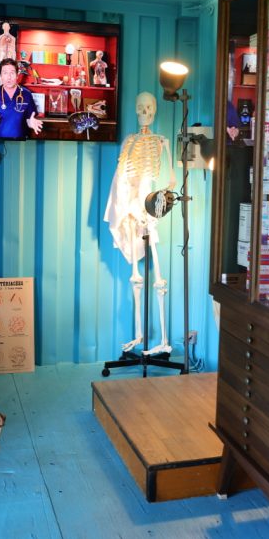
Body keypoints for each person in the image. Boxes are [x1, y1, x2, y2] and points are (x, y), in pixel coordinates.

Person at [103, 92, 175, 355]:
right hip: (131, 210)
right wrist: (127, 207)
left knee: (159, 279)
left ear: (155, 110)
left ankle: (164, 341)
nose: (145, 113)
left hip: (149, 210)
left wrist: (155, 205)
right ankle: (139, 336)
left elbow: (171, 180)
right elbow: (121, 177)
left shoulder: (161, 142)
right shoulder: (129, 141)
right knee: (136, 277)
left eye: (149, 108)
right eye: (141, 108)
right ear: (135, 110)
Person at [0, 58, 43, 139]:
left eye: (12, 73)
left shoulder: (26, 94)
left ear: (17, 75)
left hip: (20, 143)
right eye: (5, 73)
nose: (9, 77)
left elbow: (29, 119)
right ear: (0, 76)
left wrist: (30, 123)